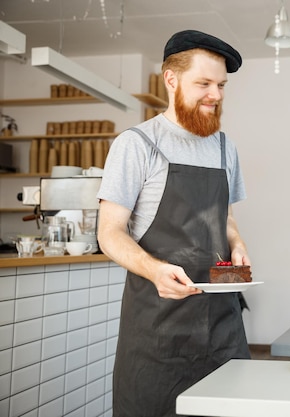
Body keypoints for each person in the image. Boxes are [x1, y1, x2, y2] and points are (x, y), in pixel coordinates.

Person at [96, 30, 251, 417]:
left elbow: (226, 218)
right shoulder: (136, 144)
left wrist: (237, 243)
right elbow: (109, 232)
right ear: (171, 79)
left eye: (220, 85)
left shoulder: (223, 147)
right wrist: (156, 270)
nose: (215, 95)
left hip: (223, 325)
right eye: (203, 83)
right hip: (157, 333)